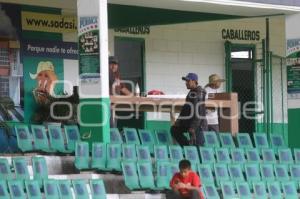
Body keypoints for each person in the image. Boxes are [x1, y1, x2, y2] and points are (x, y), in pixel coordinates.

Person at [171, 73, 207, 146]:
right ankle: (188, 147)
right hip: (189, 122)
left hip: (197, 124)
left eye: (188, 81)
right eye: (186, 81)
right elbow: (185, 108)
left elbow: (198, 113)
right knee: (174, 130)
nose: (186, 83)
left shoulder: (198, 93)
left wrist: (193, 127)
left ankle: (191, 149)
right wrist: (179, 120)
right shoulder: (192, 92)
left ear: (194, 81)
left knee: (198, 146)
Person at [109, 56, 131, 127]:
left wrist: (134, 96)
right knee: (111, 124)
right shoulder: (107, 73)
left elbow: (123, 89)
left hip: (115, 104)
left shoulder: (117, 75)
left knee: (114, 123)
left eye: (115, 64)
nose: (113, 66)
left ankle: (113, 137)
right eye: (111, 64)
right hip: (108, 103)